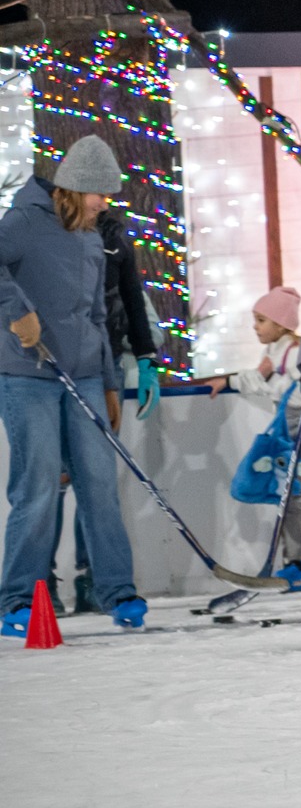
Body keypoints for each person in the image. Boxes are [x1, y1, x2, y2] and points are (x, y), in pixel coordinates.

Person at [0, 136, 147, 634]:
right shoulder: (23, 222)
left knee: (100, 484)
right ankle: (18, 599)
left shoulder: (89, 237)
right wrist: (18, 311)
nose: (104, 204)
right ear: (73, 189)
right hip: (29, 374)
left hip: (83, 375)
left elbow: (97, 316)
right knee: (38, 485)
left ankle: (118, 591)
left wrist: (109, 381)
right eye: (99, 194)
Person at [200, 286, 301, 589]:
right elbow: (260, 379)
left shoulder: (294, 353)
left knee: (293, 494)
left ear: (281, 325)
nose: (255, 327)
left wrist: (269, 380)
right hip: (292, 425)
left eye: (261, 320)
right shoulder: (273, 352)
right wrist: (229, 381)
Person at [57, 199, 162, 612]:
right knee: (53, 476)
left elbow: (136, 305)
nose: (101, 201)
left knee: (95, 475)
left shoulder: (114, 238)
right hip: (54, 364)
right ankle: (40, 579)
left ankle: (94, 577)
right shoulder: (48, 231)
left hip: (106, 364)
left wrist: (146, 358)